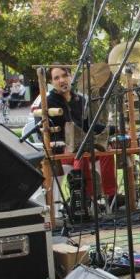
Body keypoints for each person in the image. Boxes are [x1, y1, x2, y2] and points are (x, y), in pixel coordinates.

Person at [41, 66, 119, 206]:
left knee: (106, 152)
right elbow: (41, 131)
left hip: (81, 146)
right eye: (56, 78)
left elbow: (89, 126)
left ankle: (111, 197)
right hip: (62, 152)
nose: (62, 80)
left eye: (64, 75)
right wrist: (60, 144)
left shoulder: (80, 100)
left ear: (71, 77)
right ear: (51, 82)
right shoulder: (48, 102)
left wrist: (114, 129)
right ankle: (83, 200)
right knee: (80, 156)